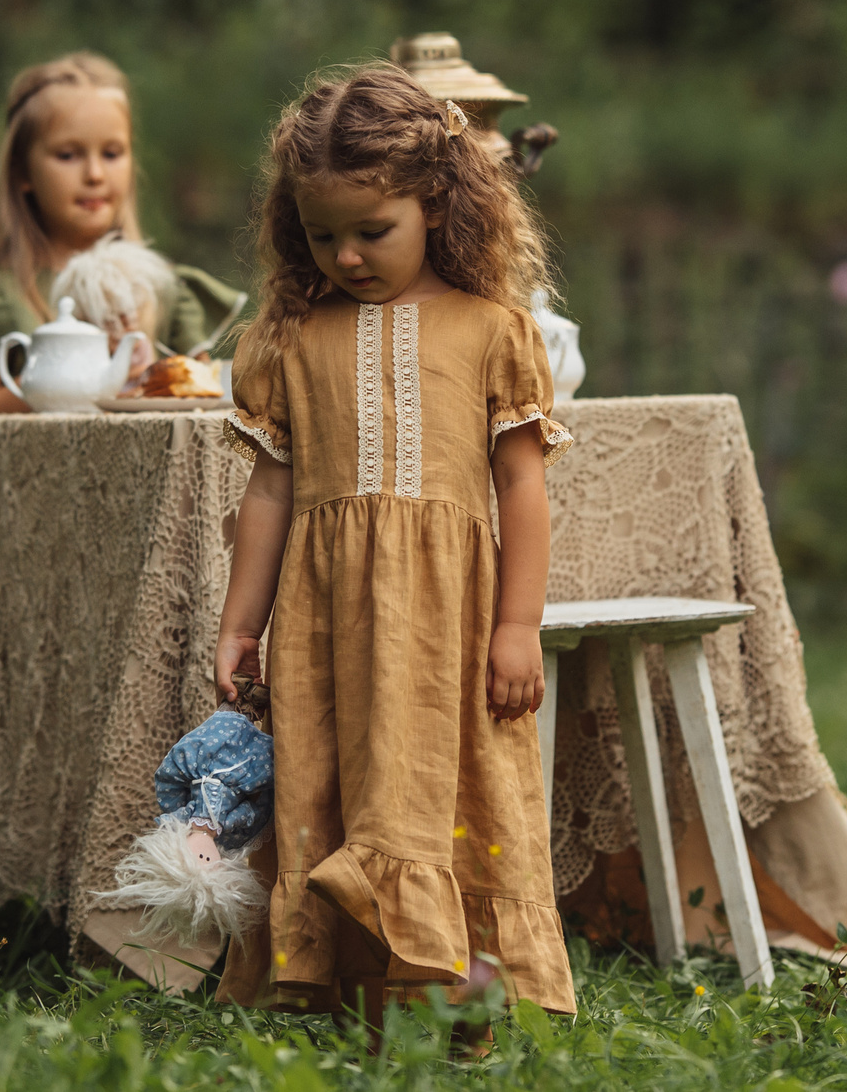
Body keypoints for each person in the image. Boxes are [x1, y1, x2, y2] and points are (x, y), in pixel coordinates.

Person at [212, 61, 576, 1027]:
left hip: (450, 625)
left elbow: (521, 483)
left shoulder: (493, 329)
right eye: (322, 234)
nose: (348, 256)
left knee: (448, 787)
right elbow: (270, 491)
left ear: (439, 204)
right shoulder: (289, 339)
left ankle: (464, 986)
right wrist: (238, 622)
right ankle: (345, 981)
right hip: (326, 620)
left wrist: (518, 627)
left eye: (373, 230)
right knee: (331, 776)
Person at [0, 51, 245, 918]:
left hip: (145, 541)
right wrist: (81, 373)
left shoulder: (160, 285)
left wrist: (154, 359)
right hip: (35, 537)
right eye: (68, 153)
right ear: (24, 175)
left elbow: (203, 383)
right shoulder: (6, 295)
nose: (94, 171)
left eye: (112, 150)